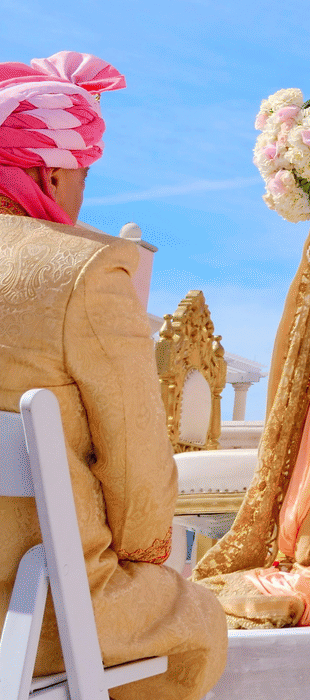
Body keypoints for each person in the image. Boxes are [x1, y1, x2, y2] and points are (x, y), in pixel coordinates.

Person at [0, 52, 226, 700]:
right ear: (51, 169)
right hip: (38, 611)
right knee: (198, 617)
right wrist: (143, 552)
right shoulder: (85, 270)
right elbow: (138, 469)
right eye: (84, 175)